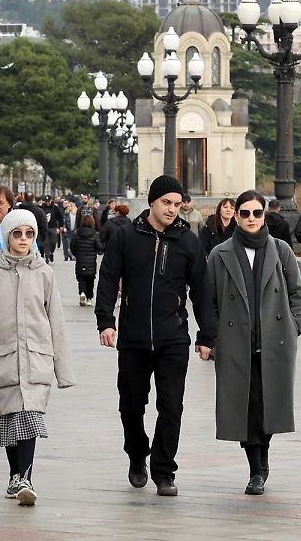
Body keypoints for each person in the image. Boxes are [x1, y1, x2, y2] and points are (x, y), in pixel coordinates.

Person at [95, 175, 208, 498]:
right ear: (152, 203)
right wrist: (106, 321)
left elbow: (201, 290)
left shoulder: (187, 241)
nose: (172, 210)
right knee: (131, 405)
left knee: (171, 406)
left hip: (173, 338)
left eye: (177, 204)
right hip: (133, 337)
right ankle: (136, 453)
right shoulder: (126, 237)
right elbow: (107, 280)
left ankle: (164, 470)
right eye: (166, 203)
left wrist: (206, 334)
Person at [197, 190, 301, 496]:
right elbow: (210, 300)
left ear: (264, 215)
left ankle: (263, 455)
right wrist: (215, 335)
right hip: (235, 344)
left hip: (275, 343)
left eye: (257, 213)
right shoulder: (220, 254)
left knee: (269, 405)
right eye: (244, 213)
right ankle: (255, 470)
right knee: (247, 407)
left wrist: (295, 325)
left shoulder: (281, 250)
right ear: (236, 216)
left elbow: (298, 292)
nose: (251, 219)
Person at [0, 209, 74, 507]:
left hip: (37, 357)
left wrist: (63, 371)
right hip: (1, 359)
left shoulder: (44, 273)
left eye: (29, 233)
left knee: (29, 417)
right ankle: (15, 476)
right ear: (8, 237)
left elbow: (57, 322)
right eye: (17, 233)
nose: (24, 239)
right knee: (8, 421)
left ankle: (26, 478)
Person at [71, 215, 101, 307]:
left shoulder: (77, 234)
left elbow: (72, 247)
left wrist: (77, 255)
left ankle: (82, 292)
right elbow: (99, 247)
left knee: (81, 279)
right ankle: (89, 298)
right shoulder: (94, 234)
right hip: (91, 261)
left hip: (80, 260)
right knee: (90, 280)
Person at [42, 196, 65, 263]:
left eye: (48, 201)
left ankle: (51, 252)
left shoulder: (55, 208)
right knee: (46, 243)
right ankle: (47, 256)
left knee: (53, 242)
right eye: (46, 201)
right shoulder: (42, 208)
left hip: (53, 227)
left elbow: (60, 217)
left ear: (51, 200)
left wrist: (61, 226)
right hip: (45, 228)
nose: (47, 203)